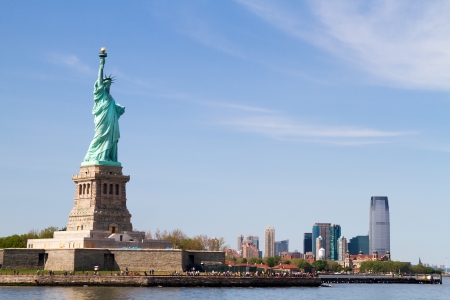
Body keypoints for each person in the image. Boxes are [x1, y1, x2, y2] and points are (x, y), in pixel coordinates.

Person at [83, 55, 125, 164]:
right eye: (106, 84)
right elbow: (99, 80)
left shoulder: (111, 98)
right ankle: (90, 157)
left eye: (109, 84)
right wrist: (101, 65)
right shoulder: (100, 94)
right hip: (102, 120)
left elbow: (114, 109)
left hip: (110, 122)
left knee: (109, 139)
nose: (108, 86)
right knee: (99, 137)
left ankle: (107, 158)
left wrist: (119, 108)